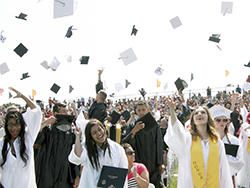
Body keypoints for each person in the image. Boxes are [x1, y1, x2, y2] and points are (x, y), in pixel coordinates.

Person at [164, 96, 233, 188]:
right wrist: (172, 111)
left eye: (203, 112)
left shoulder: (217, 143)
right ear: (193, 120)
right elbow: (176, 132)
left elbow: (223, 170)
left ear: (208, 118)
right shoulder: (187, 140)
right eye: (196, 113)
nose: (199, 114)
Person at [0, 87, 42, 188]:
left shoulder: (28, 138)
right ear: (6, 126)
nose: (14, 128)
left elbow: (36, 112)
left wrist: (22, 96)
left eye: (17, 124)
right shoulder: (1, 144)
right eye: (10, 124)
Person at [68, 119, 128, 187]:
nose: (99, 134)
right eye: (94, 133)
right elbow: (77, 159)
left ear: (104, 129)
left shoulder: (117, 148)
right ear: (91, 136)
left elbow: (123, 172)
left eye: (100, 129)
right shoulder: (87, 147)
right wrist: (78, 138)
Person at [35, 102, 80, 188]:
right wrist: (46, 122)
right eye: (64, 111)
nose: (67, 114)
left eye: (67, 111)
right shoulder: (47, 130)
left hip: (65, 175)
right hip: (47, 174)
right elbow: (32, 136)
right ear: (56, 114)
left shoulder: (72, 132)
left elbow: (76, 155)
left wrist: (77, 176)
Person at [122, 100, 164, 188]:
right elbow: (124, 144)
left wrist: (161, 162)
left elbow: (159, 144)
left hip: (152, 162)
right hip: (138, 162)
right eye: (139, 110)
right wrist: (135, 130)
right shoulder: (132, 126)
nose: (141, 112)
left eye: (143, 110)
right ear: (136, 111)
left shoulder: (154, 126)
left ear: (147, 110)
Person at [209, 105, 243, 187]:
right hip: (212, 176)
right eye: (218, 120)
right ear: (213, 122)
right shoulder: (208, 140)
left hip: (229, 176)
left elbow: (239, 161)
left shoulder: (234, 141)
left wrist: (222, 157)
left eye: (224, 120)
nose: (222, 122)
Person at [236, 112, 250, 188]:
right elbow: (247, 132)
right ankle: (244, 183)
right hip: (246, 150)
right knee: (246, 165)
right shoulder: (245, 125)